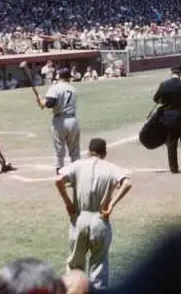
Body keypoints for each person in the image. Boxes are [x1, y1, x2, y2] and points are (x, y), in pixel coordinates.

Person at [54, 138, 132, 290]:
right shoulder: (111, 168)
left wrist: (68, 203)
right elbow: (127, 183)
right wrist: (111, 204)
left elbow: (58, 180)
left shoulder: (78, 165)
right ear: (105, 153)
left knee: (75, 266)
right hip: (100, 219)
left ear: (89, 152)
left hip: (79, 218)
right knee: (99, 265)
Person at [28, 63, 81, 175]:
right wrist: (43, 102)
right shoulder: (73, 89)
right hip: (72, 120)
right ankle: (77, 176)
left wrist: (41, 102)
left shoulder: (55, 87)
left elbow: (49, 103)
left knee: (59, 151)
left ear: (59, 77)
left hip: (60, 122)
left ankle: (61, 177)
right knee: (75, 152)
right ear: (68, 77)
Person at [153, 65, 181, 174]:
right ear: (180, 72)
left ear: (171, 71)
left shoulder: (164, 85)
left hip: (168, 118)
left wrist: (165, 101)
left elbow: (156, 99)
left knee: (171, 143)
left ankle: (174, 168)